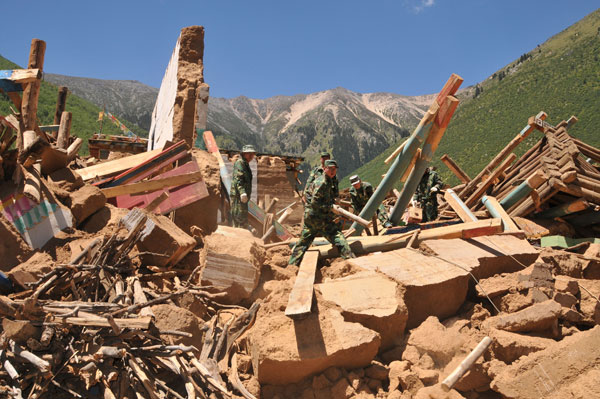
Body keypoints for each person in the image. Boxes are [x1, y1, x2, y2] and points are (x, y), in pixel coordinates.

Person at [289, 159, 354, 266]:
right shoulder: (322, 182)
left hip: (312, 217)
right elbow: (315, 203)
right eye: (330, 169)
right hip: (318, 218)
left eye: (334, 169)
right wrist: (331, 208)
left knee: (303, 243)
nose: (333, 171)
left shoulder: (329, 180)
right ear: (324, 169)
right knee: (337, 237)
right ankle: (351, 262)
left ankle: (291, 265)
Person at [230, 144, 256, 229]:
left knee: (243, 217)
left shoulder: (246, 164)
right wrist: (242, 192)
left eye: (252, 154)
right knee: (239, 217)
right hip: (238, 196)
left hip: (243, 197)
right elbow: (238, 179)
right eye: (249, 153)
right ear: (244, 154)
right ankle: (237, 237)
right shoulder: (240, 163)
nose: (251, 156)